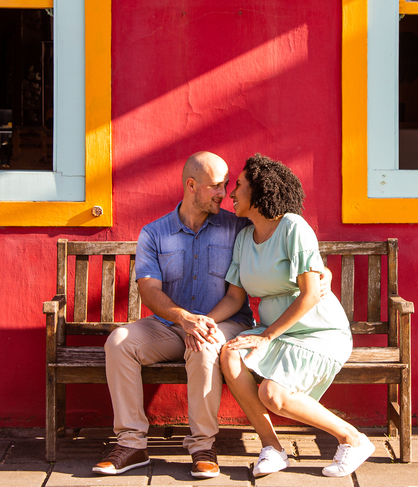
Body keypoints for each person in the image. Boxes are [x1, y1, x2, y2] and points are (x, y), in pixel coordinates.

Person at [95, 152, 334, 479]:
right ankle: (131, 444)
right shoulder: (154, 233)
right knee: (119, 342)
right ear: (191, 185)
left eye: (227, 185)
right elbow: (148, 290)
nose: (224, 193)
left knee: (204, 345)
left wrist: (323, 273)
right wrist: (184, 319)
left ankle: (202, 446)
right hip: (171, 325)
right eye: (215, 186)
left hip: (226, 323)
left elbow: (284, 239)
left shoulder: (239, 226)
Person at [213, 154, 375, 479]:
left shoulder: (293, 227)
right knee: (229, 353)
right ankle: (272, 448)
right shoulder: (244, 239)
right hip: (276, 332)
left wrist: (266, 336)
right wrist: (204, 320)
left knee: (272, 394)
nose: (231, 193)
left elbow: (311, 293)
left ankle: (352, 438)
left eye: (239, 185)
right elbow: (234, 297)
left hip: (318, 332)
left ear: (258, 190)